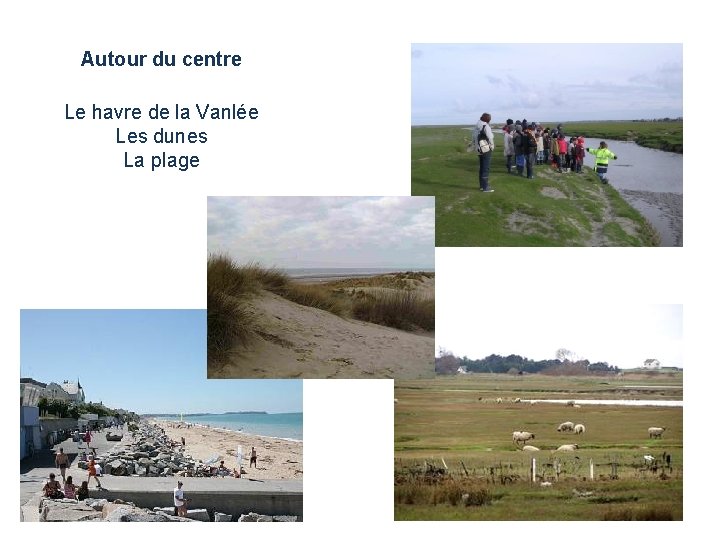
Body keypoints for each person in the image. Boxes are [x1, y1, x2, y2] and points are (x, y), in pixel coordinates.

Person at [472, 112, 494, 192]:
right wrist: (492, 146)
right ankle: (485, 187)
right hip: (485, 149)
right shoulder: (486, 126)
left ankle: (482, 185)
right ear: (487, 119)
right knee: (486, 167)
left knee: (482, 167)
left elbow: (473, 137)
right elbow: (490, 137)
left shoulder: (477, 126)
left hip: (479, 149)